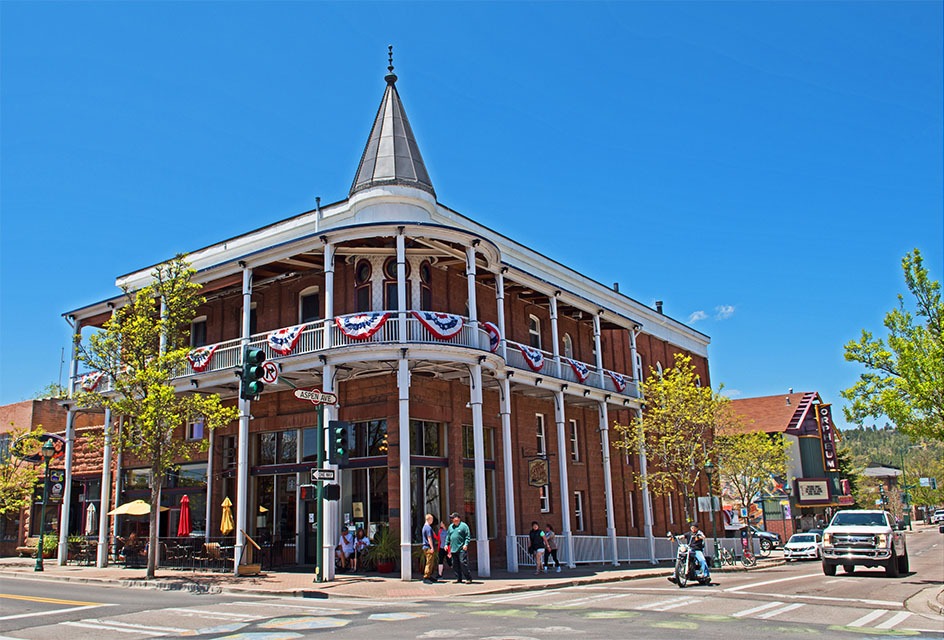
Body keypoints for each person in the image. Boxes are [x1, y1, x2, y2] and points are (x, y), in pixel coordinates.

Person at [446, 512, 473, 584]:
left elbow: (467, 536)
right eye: (452, 518)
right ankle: (458, 578)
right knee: (455, 564)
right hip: (453, 549)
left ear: (458, 518)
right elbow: (448, 536)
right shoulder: (450, 527)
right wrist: (446, 544)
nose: (452, 519)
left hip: (461, 548)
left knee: (463, 563)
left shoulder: (464, 526)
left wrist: (466, 544)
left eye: (453, 517)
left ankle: (468, 578)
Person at [421, 513, 438, 584]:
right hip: (428, 547)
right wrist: (432, 547)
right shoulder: (428, 528)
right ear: (429, 519)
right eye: (432, 519)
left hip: (425, 547)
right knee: (429, 562)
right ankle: (426, 576)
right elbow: (429, 538)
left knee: (430, 562)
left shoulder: (424, 527)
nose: (432, 521)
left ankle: (429, 576)